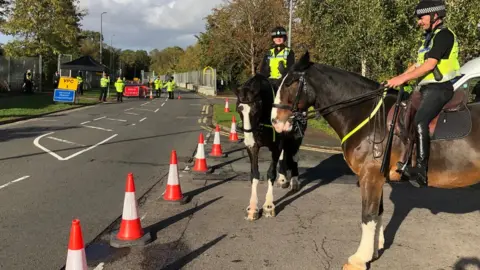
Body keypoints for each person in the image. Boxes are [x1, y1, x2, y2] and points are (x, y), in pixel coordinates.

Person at [386, 0, 460, 187]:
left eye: (421, 17)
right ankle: (404, 161)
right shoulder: (429, 38)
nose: (419, 21)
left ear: (435, 16)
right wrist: (396, 78)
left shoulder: (444, 35)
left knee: (420, 121)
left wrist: (403, 80)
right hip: (426, 89)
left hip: (440, 88)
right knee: (405, 118)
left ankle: (421, 171)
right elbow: (418, 64)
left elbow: (430, 65)